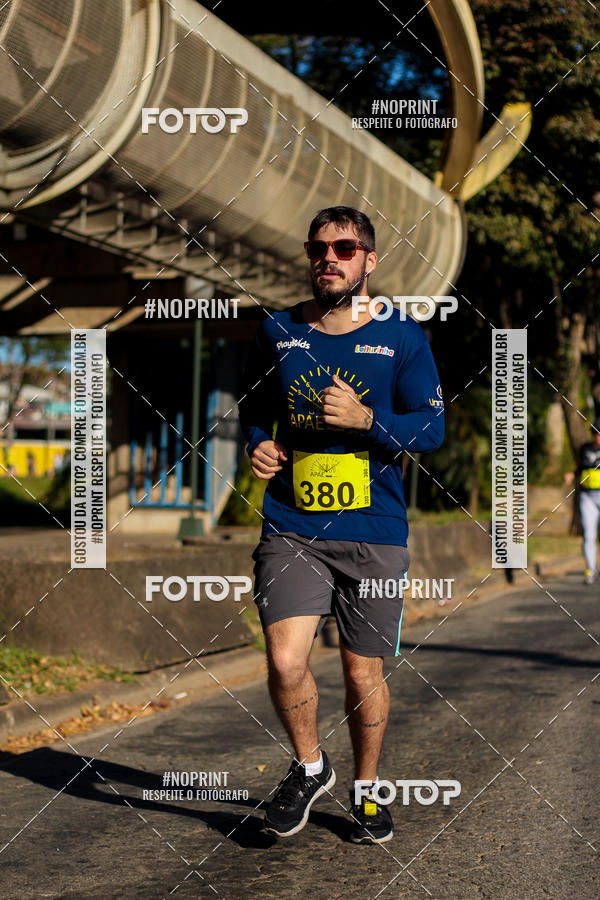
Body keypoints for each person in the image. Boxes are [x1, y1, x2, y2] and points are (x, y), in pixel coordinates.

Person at [239, 206, 444, 844]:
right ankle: (309, 767)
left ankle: (368, 789)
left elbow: (432, 427)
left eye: (346, 248)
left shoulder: (402, 336)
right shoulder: (278, 330)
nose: (330, 258)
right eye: (320, 248)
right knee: (284, 657)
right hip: (293, 525)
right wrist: (258, 446)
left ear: (369, 260)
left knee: (362, 672)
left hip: (374, 530)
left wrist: (368, 425)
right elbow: (256, 409)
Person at [565, 416, 600, 584]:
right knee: (589, 534)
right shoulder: (585, 449)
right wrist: (572, 474)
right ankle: (591, 569)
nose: (598, 437)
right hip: (587, 496)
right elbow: (579, 467)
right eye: (596, 433)